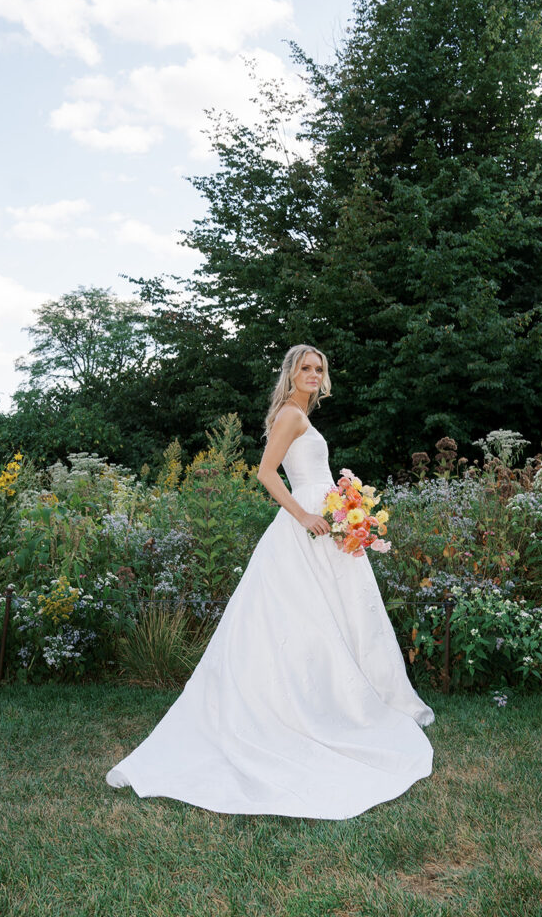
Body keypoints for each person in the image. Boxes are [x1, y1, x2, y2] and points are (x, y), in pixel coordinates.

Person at [106, 344, 434, 819]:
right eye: (306, 367)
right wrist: (304, 514)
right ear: (291, 373)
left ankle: (339, 700)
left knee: (335, 617)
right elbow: (266, 472)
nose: (313, 374)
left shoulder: (303, 415)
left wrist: (344, 505)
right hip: (305, 526)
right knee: (299, 619)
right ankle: (297, 711)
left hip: (324, 523)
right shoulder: (290, 415)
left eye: (319, 368)